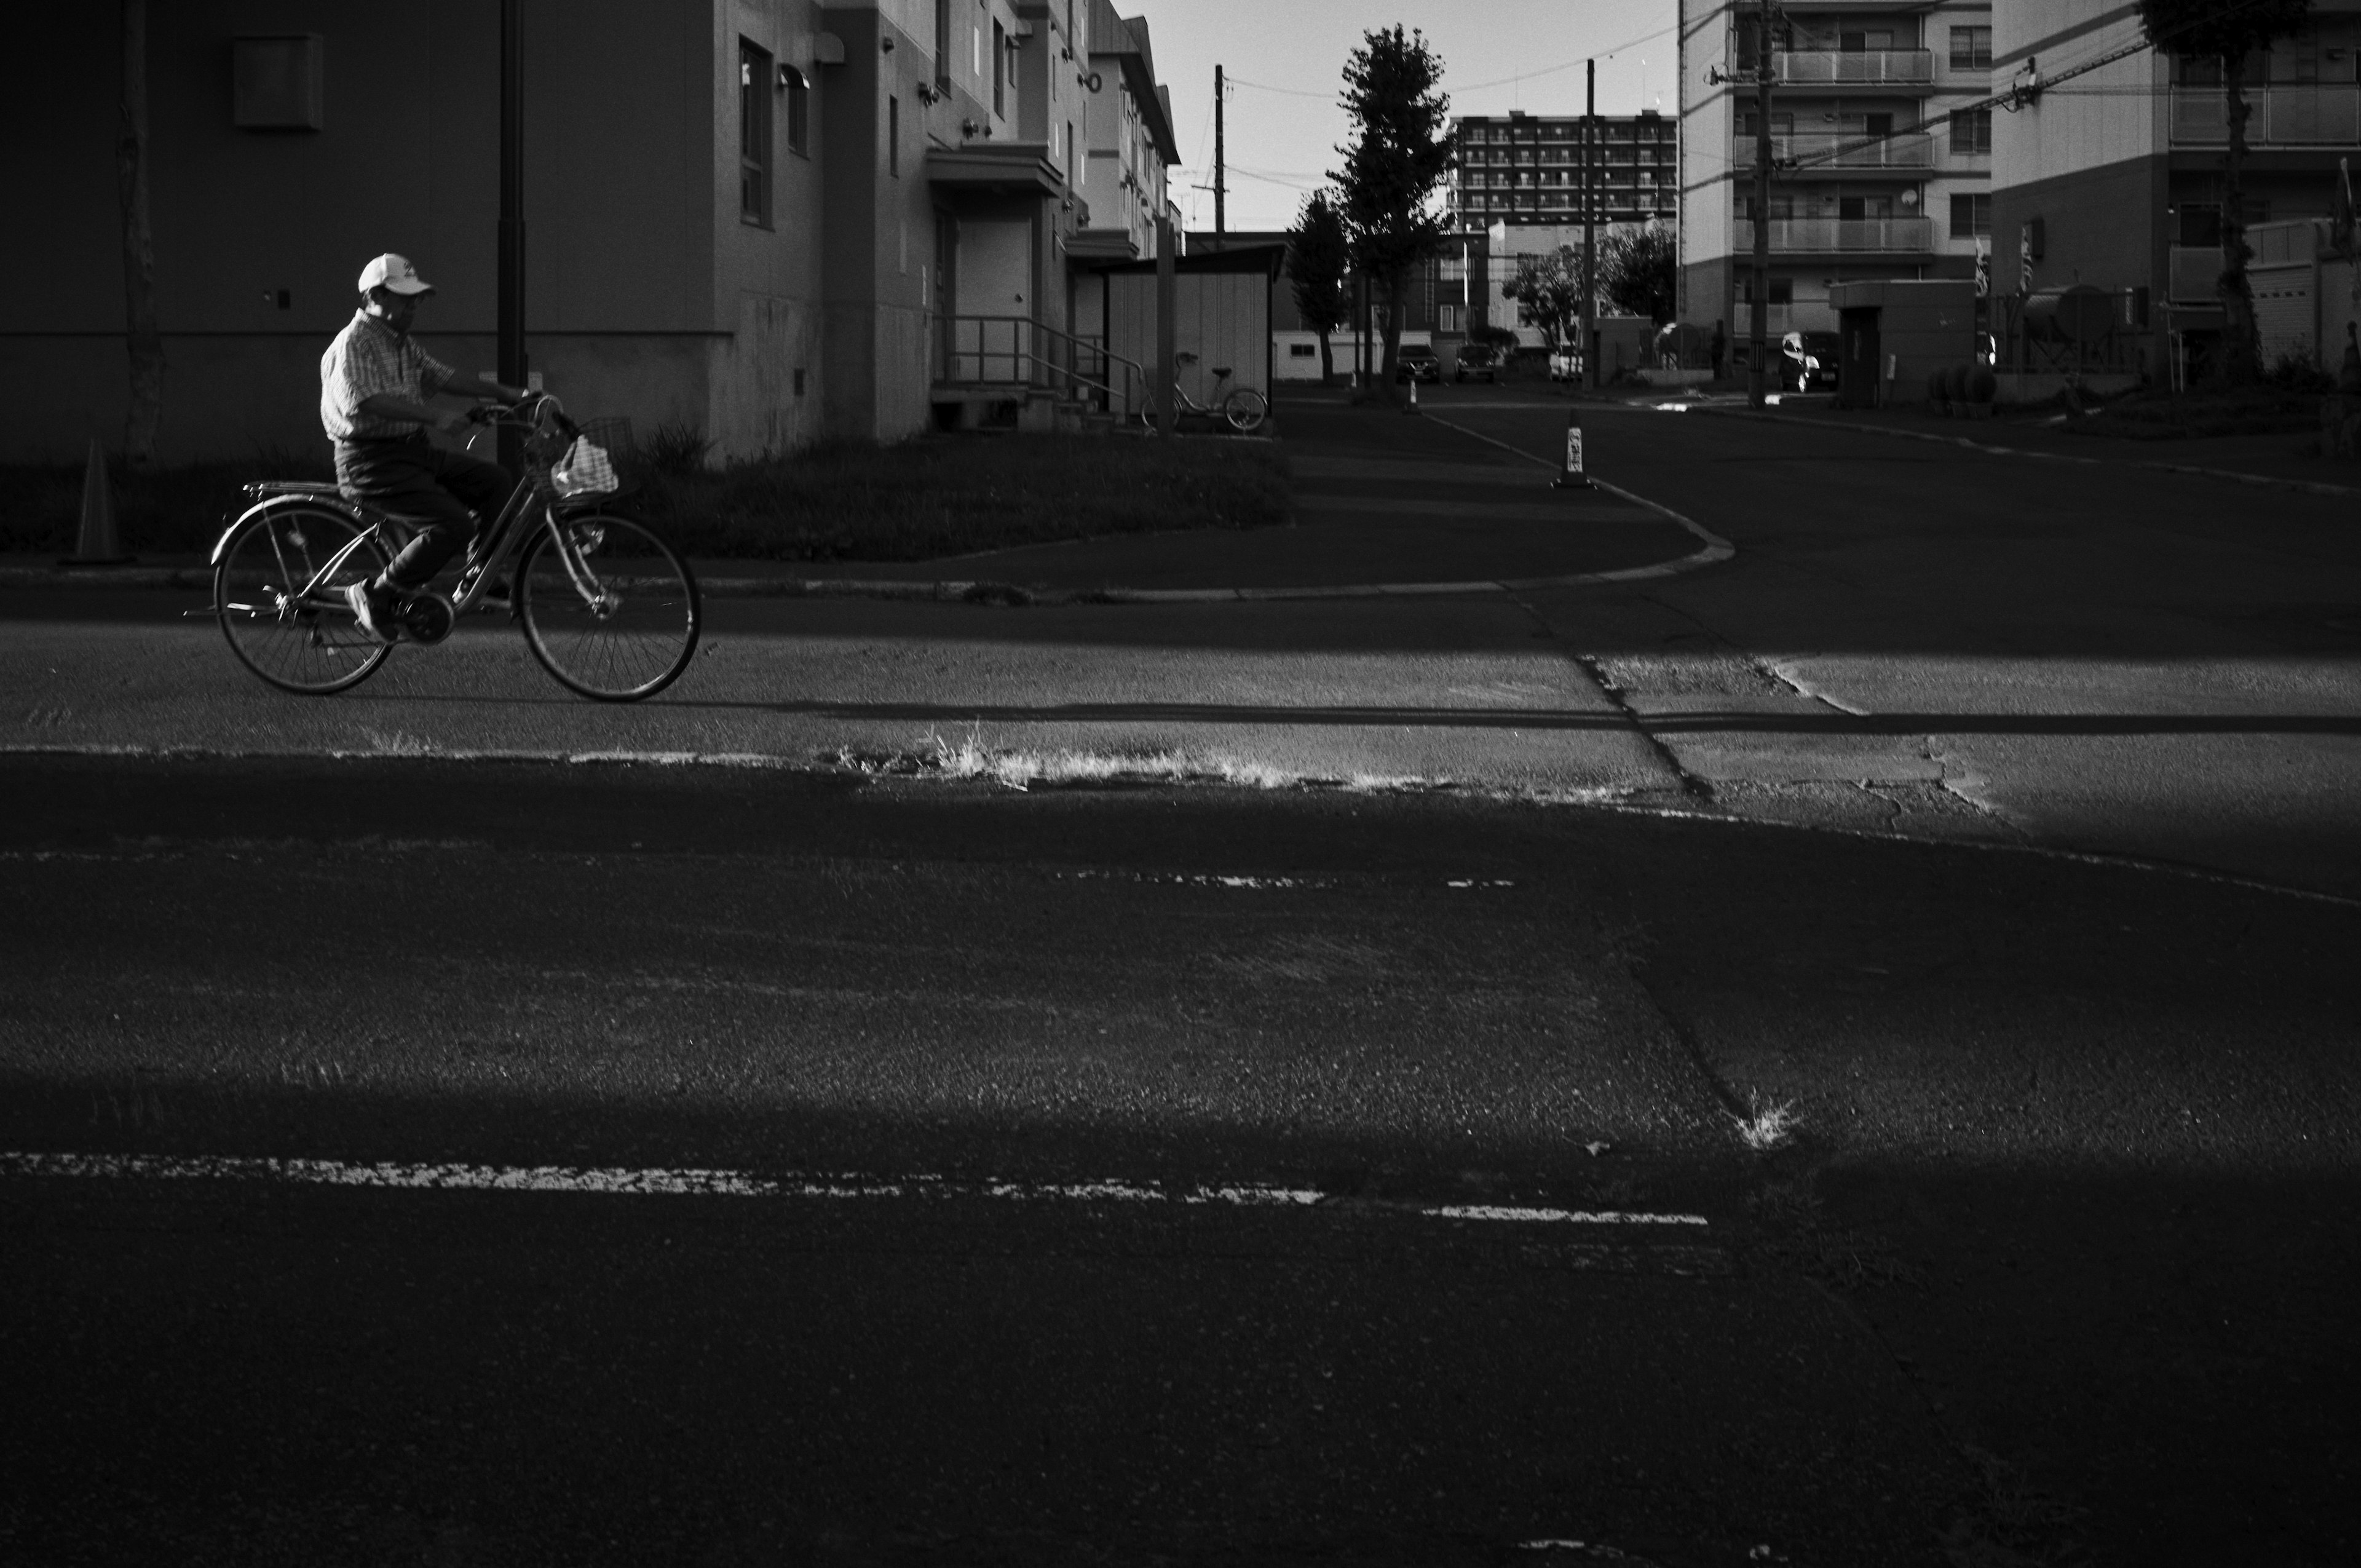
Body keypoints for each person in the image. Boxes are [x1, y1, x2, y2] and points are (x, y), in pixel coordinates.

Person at [320, 253, 527, 641]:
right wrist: (436, 418)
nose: (414, 304)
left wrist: (508, 394)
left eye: (417, 297)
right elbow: (364, 401)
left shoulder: (400, 342)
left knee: (496, 482)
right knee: (452, 524)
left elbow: (442, 375)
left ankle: (476, 579)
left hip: (411, 452)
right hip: (370, 462)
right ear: (375, 296)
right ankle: (374, 594)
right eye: (405, 297)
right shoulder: (354, 343)